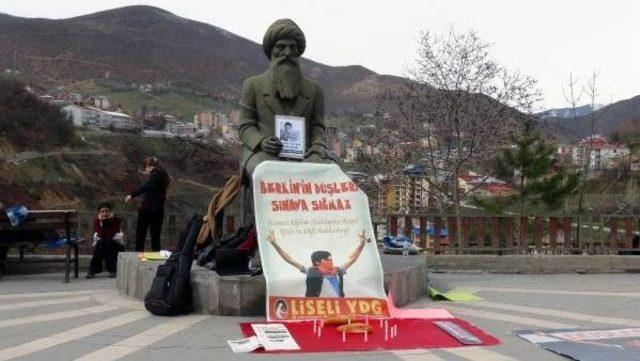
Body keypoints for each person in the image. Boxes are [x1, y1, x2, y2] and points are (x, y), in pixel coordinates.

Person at [238, 18, 332, 179]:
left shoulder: (314, 90)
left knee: (329, 172)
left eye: (292, 48)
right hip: (263, 154)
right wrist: (262, 142)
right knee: (266, 173)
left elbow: (317, 127)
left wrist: (317, 146)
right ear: (271, 51)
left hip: (306, 154)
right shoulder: (253, 85)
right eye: (281, 47)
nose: (287, 53)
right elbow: (245, 126)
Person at [266, 229, 368, 297]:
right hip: (318, 309)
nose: (330, 261)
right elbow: (289, 259)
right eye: (327, 259)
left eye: (330, 259)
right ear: (317, 262)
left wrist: (361, 244)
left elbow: (352, 259)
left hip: (338, 308)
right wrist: (275, 244)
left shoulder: (338, 271)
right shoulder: (311, 271)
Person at [124, 157, 170, 252]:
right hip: (157, 209)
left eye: (145, 167)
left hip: (149, 208)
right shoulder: (162, 174)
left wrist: (132, 195)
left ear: (148, 166)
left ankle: (139, 254)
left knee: (141, 233)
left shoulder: (156, 174)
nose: (145, 170)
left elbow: (147, 186)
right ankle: (155, 253)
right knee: (155, 235)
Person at [87, 202, 124, 279]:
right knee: (102, 242)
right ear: (99, 213)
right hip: (102, 245)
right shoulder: (97, 221)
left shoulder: (116, 220)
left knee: (108, 241)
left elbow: (111, 234)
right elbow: (101, 234)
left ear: (110, 211)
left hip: (116, 246)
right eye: (102, 211)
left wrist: (107, 222)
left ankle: (111, 269)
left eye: (107, 211)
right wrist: (102, 223)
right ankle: (95, 270)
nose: (105, 213)